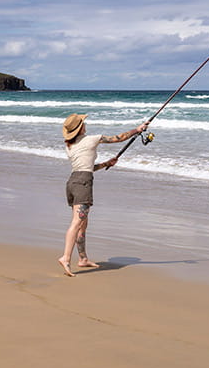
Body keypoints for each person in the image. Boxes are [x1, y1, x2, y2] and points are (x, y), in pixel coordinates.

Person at [58, 113, 149, 277]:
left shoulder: (70, 145)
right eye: (83, 123)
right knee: (77, 222)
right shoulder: (91, 139)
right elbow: (119, 138)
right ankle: (65, 257)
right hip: (83, 184)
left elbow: (86, 167)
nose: (85, 124)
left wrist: (107, 164)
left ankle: (83, 259)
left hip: (73, 182)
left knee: (83, 223)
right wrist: (137, 129)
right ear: (80, 129)